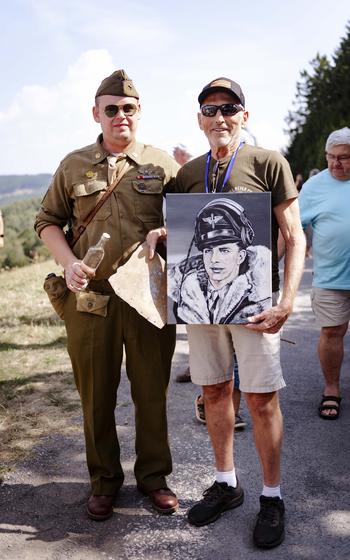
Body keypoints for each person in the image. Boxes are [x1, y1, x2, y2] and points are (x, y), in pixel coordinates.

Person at [147, 76, 305, 548]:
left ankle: (272, 497)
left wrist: (287, 302)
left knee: (260, 399)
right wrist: (160, 235)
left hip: (256, 308)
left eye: (229, 108)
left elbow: (294, 237)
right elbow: (185, 235)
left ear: (244, 115)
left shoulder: (269, 162)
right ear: (199, 119)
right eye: (210, 110)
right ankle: (226, 484)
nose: (220, 117)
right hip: (201, 310)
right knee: (214, 393)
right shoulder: (189, 172)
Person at [34, 70, 179, 521]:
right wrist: (67, 262)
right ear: (96, 114)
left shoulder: (163, 166)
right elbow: (47, 220)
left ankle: (154, 478)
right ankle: (104, 482)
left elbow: (193, 220)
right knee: (96, 395)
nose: (120, 116)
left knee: (151, 393)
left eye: (128, 108)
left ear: (139, 113)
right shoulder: (74, 165)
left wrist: (167, 231)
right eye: (111, 109)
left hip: (148, 298)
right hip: (91, 302)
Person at [299, 127, 350, 420]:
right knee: (332, 332)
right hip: (331, 278)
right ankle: (331, 388)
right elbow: (293, 229)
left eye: (343, 158)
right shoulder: (314, 187)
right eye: (331, 157)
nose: (335, 164)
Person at [168, 197, 271, 324]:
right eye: (208, 250)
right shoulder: (184, 294)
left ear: (241, 256)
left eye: (224, 250)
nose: (214, 259)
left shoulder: (259, 298)